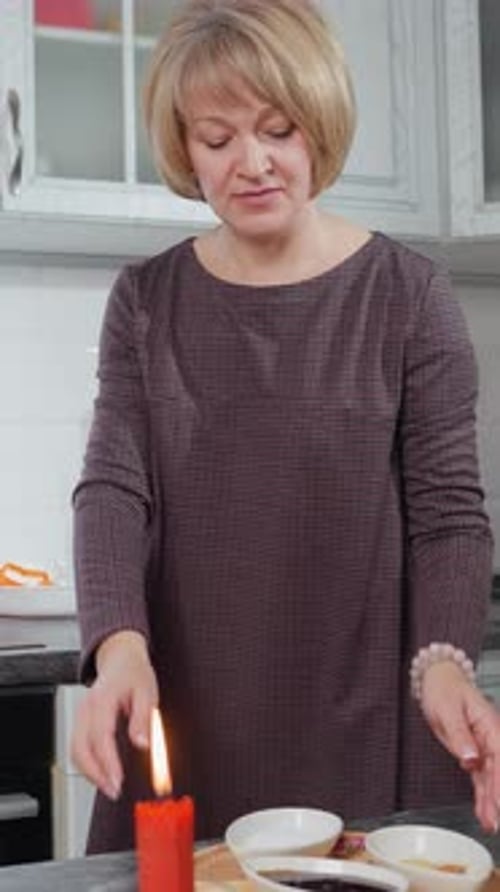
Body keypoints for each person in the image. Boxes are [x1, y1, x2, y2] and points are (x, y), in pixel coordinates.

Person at [71, 0, 500, 855]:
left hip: (373, 727)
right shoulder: (147, 302)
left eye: (278, 129)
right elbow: (114, 489)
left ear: (320, 126)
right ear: (185, 150)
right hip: (190, 724)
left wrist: (446, 660)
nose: (252, 163)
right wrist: (116, 647)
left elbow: (450, 515)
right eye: (217, 138)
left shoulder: (408, 297)